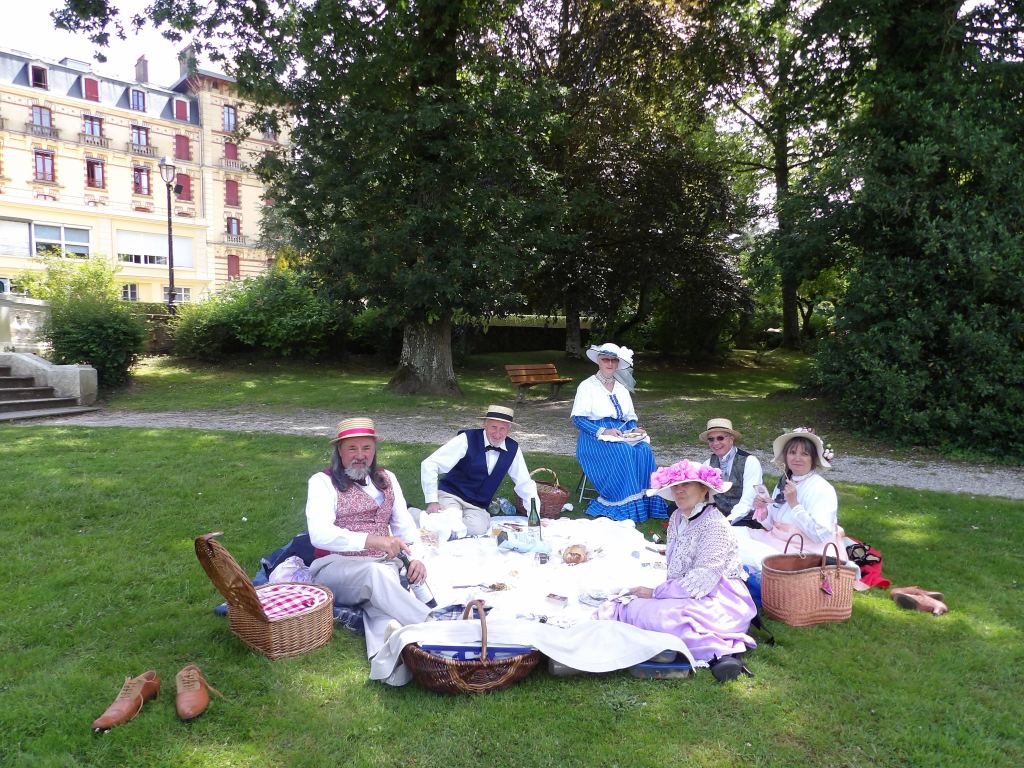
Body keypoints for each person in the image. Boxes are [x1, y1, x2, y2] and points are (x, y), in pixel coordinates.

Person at [595, 459, 757, 682]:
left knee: (663, 616)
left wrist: (656, 593)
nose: (679, 490)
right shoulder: (677, 517)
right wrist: (661, 592)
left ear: (703, 489)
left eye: (687, 484)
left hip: (720, 598)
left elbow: (702, 579)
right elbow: (677, 570)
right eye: (675, 485)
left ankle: (718, 650)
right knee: (637, 604)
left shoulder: (715, 526)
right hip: (685, 591)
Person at [305, 418, 432, 657]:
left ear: (374, 451)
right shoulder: (322, 482)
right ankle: (433, 623)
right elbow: (319, 534)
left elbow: (405, 527)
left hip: (384, 566)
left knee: (381, 607)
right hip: (335, 565)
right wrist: (374, 541)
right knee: (378, 575)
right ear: (339, 451)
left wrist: (417, 558)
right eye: (352, 448)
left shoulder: (388, 479)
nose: (360, 455)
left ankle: (391, 663)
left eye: (367, 448)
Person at [570, 342, 666, 522]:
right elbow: (578, 419)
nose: (609, 363)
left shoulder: (621, 388)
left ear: (617, 364)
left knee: (644, 450)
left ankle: (646, 502)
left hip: (621, 433)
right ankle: (620, 502)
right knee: (623, 451)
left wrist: (634, 429)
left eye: (613, 360)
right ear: (598, 361)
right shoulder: (587, 386)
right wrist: (604, 430)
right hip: (594, 439)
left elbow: (629, 418)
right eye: (605, 359)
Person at [733, 427, 847, 571]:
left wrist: (795, 504)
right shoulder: (785, 482)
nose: (797, 458)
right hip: (776, 540)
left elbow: (820, 535)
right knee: (728, 534)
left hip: (803, 552)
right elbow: (770, 525)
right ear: (786, 456)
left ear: (813, 458)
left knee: (738, 550)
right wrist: (762, 508)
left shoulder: (822, 488)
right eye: (792, 452)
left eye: (804, 454)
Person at [419, 405, 540, 538]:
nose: (498, 434)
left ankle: (438, 526)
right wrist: (432, 501)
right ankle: (420, 516)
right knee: (451, 518)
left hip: (477, 506)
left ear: (508, 430)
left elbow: (525, 484)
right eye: (494, 427)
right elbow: (430, 464)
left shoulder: (513, 449)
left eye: (503, 429)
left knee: (478, 529)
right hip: (451, 495)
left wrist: (535, 517)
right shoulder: (467, 438)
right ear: (485, 425)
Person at [699, 418, 764, 523]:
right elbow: (703, 497)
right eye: (711, 439)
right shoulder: (707, 464)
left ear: (731, 439)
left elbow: (748, 501)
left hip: (744, 517)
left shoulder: (750, 462)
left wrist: (728, 522)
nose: (715, 443)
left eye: (720, 438)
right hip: (717, 518)